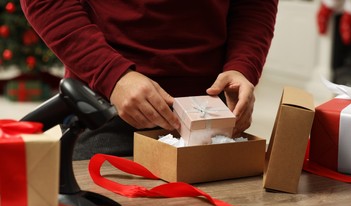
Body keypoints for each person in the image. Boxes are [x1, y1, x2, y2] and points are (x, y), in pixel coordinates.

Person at [20, 0, 278, 160]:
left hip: (213, 114)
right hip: (106, 109)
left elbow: (255, 4)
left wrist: (242, 67)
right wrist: (114, 76)